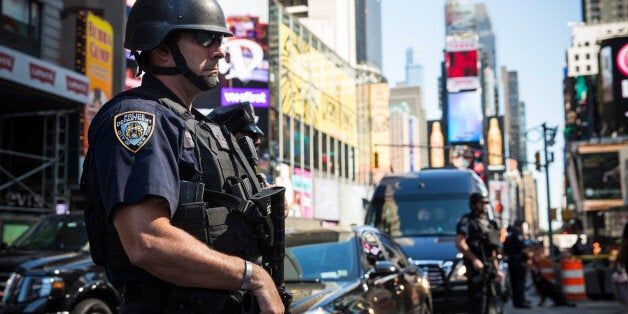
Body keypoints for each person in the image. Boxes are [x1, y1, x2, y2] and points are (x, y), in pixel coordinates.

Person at [81, 0, 284, 313]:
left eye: (221, 40)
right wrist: (252, 277)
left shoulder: (201, 126)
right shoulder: (139, 118)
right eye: (206, 39)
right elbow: (147, 241)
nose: (220, 51)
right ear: (162, 49)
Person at [455, 192, 504, 314]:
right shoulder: (467, 221)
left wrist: (497, 270)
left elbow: (492, 250)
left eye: (485, 203)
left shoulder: (489, 223)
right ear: (473, 204)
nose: (484, 206)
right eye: (481, 203)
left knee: (492, 303)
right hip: (476, 270)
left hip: (490, 268)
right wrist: (474, 260)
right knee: (477, 304)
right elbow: (459, 242)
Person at [503, 219, 531, 309]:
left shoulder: (509, 235)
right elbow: (523, 249)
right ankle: (520, 302)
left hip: (511, 263)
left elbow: (504, 250)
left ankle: (516, 302)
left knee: (514, 284)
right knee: (520, 284)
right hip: (519, 263)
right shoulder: (517, 235)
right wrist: (530, 257)